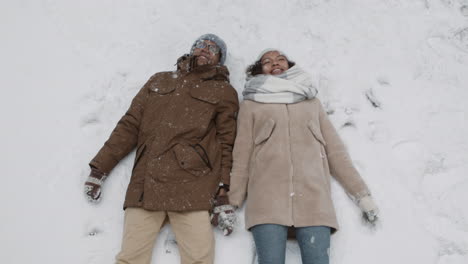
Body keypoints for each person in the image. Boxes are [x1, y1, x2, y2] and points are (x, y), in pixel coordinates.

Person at [83, 34, 239, 264]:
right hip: (146, 184)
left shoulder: (223, 91)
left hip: (193, 187)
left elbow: (228, 143)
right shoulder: (159, 80)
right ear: (192, 49)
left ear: (219, 60)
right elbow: (129, 126)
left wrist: (223, 190)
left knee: (200, 260)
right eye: (201, 45)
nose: (205, 49)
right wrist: (99, 169)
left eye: (213, 48)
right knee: (130, 259)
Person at [228, 49, 380, 264]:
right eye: (267, 61)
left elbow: (335, 152)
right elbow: (241, 156)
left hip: (314, 201)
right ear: (259, 69)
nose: (275, 63)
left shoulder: (310, 102)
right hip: (266, 200)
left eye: (281, 59)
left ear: (290, 65)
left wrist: (362, 195)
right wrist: (231, 201)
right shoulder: (251, 104)